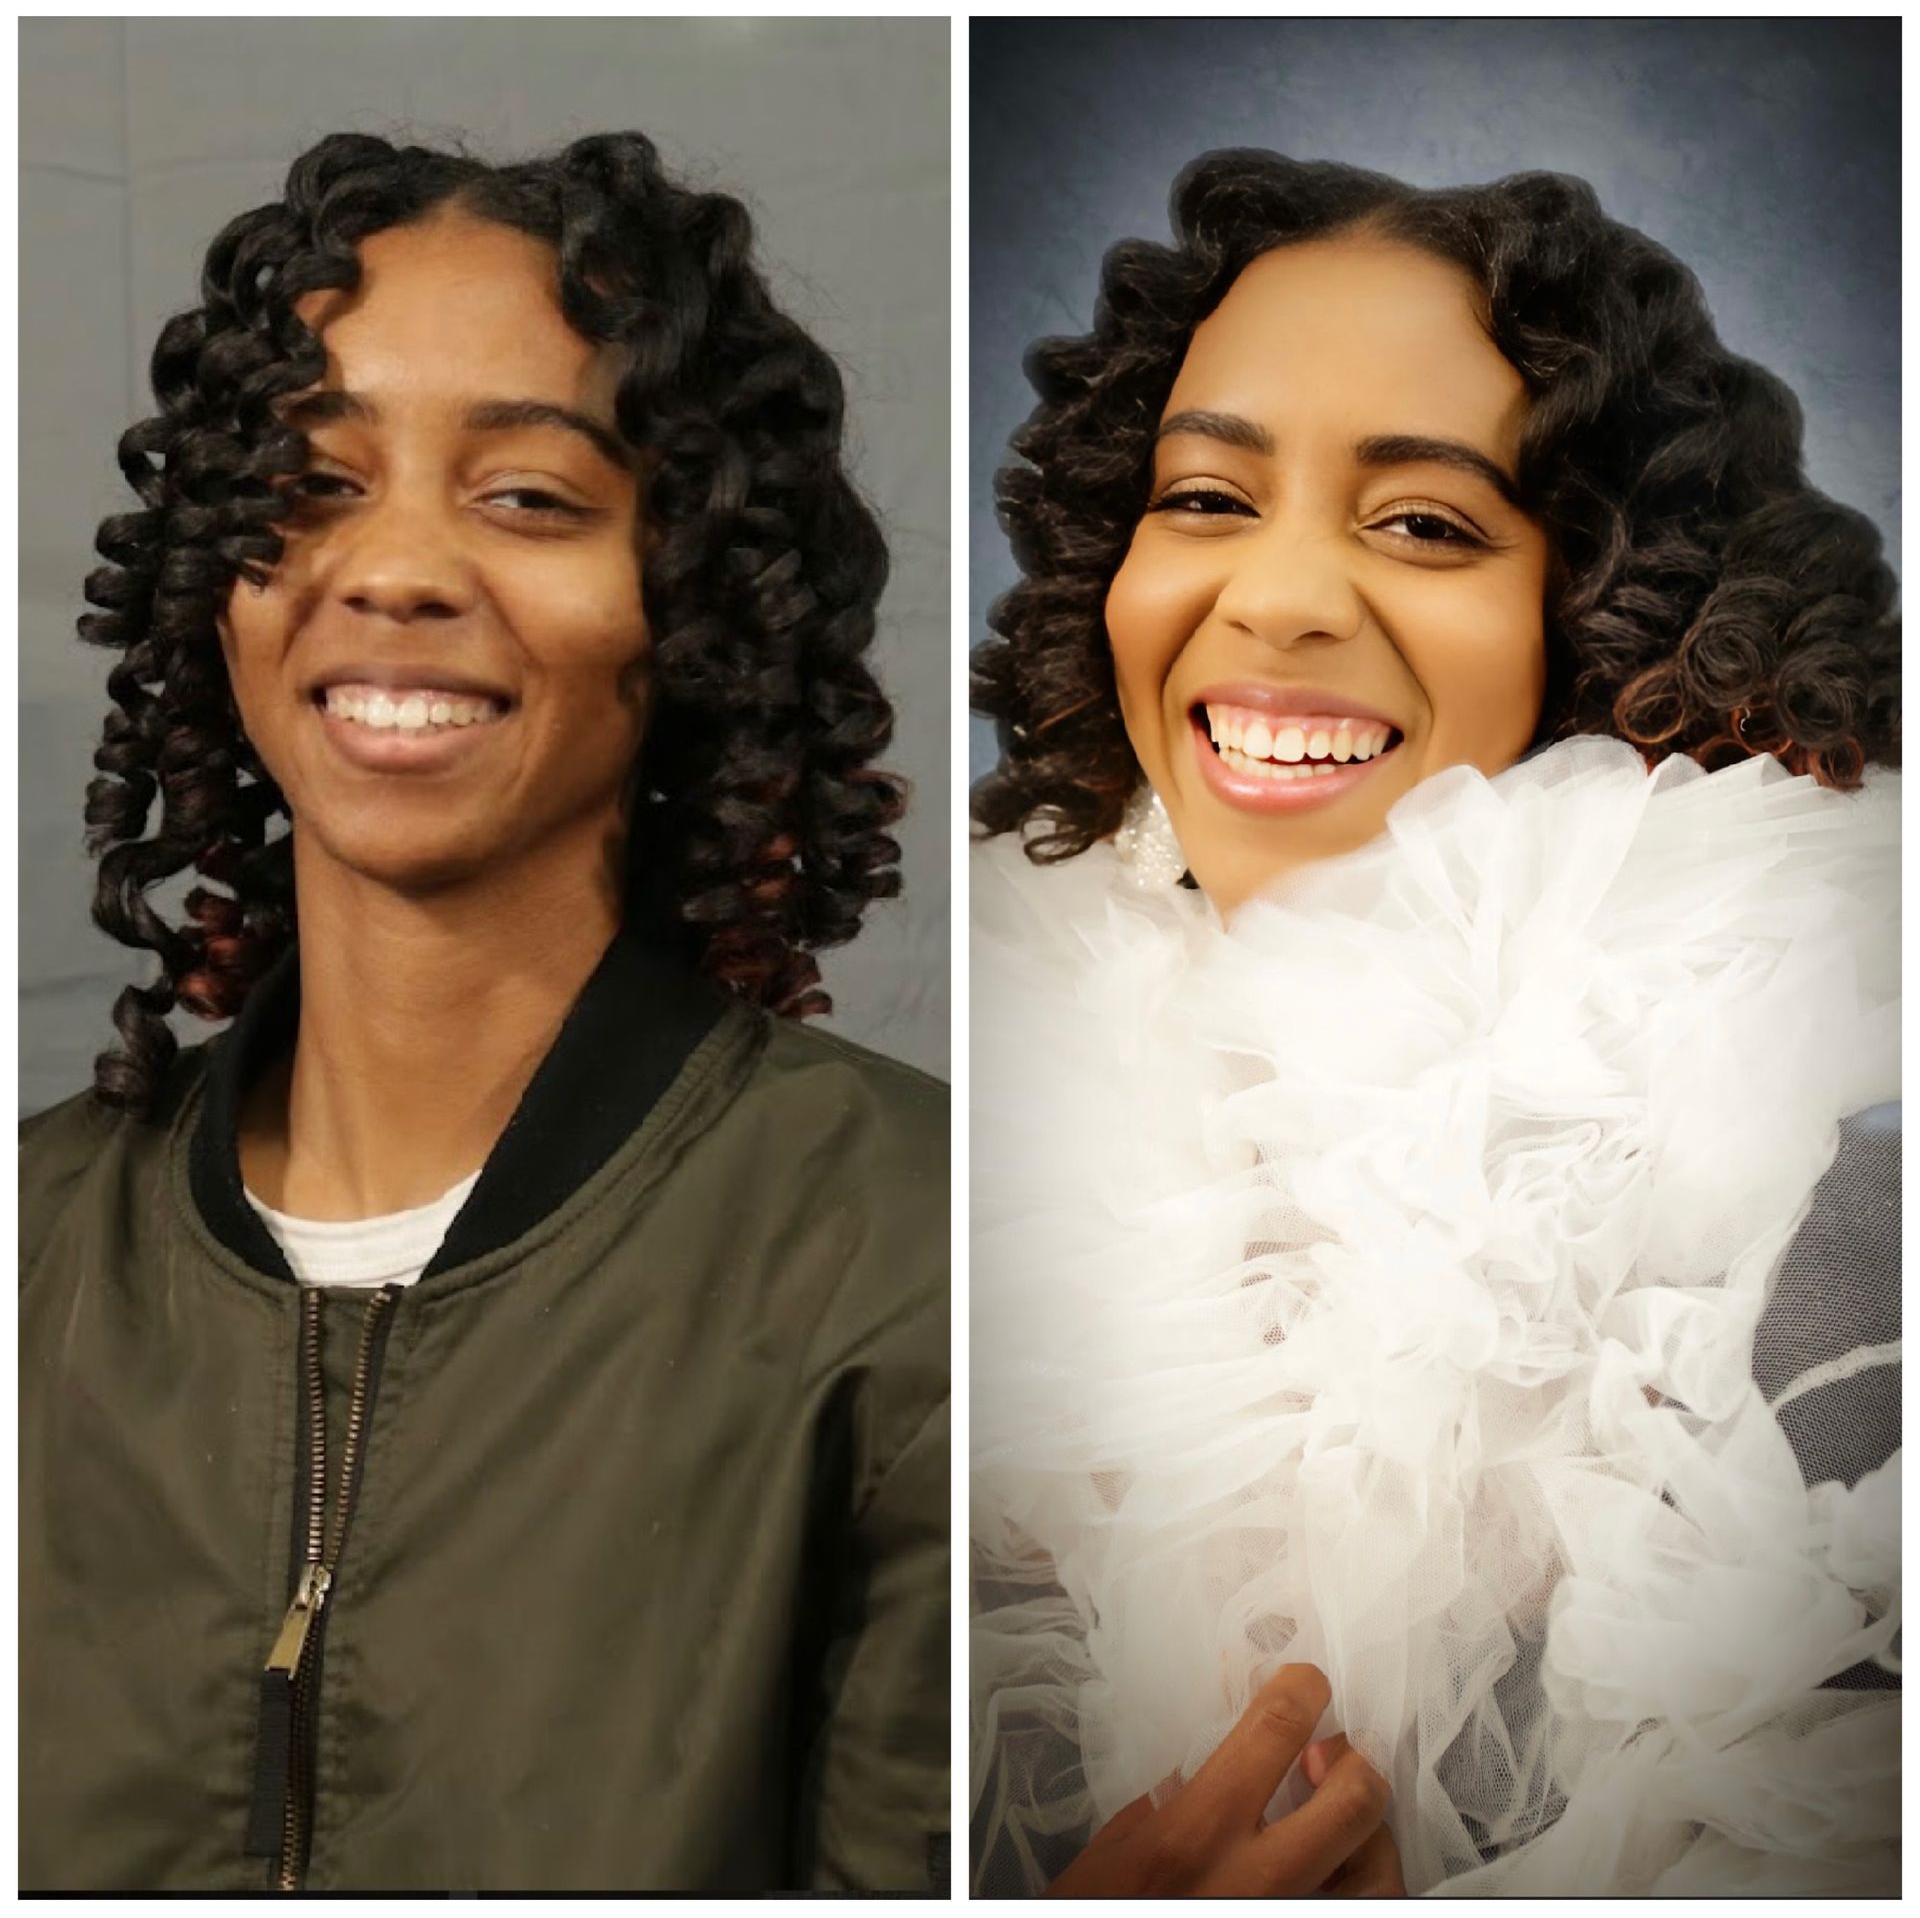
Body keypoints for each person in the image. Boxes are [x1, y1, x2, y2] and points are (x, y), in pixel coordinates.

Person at [21, 131, 949, 1894]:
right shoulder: (31, 1251)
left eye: (528, 497)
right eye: (313, 481)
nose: (396, 569)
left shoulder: (916, 1263)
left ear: (694, 600)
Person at [970, 149, 1898, 1897]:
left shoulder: (1827, 1269)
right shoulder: (944, 1135)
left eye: (1423, 524)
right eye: (1206, 497)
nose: (1280, 598)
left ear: (1601, 609)